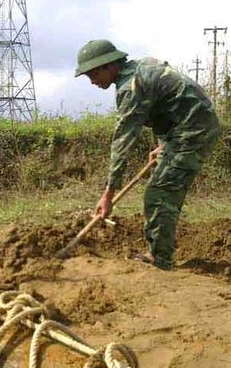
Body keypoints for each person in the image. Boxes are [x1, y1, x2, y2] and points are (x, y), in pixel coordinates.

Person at [75, 39, 220, 270]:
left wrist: (108, 193)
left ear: (108, 66)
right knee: (161, 191)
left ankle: (159, 260)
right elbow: (170, 104)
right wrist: (165, 143)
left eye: (93, 75)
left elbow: (123, 141)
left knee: (159, 194)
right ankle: (161, 253)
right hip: (186, 128)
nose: (92, 82)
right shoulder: (141, 68)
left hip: (193, 132)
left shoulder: (130, 86)